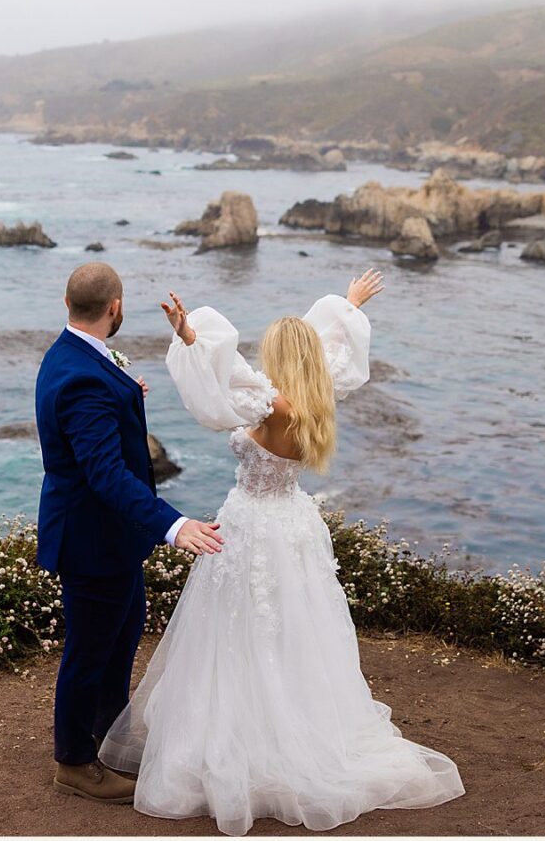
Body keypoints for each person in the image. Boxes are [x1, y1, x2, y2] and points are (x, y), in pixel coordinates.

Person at [98, 268, 465, 835]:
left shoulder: (274, 405)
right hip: (293, 525)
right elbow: (329, 351)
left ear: (282, 359)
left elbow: (227, 386)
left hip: (250, 527)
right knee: (294, 632)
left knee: (237, 635)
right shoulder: (320, 398)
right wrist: (349, 304)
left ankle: (245, 746)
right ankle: (300, 729)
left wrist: (192, 339)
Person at [34, 262, 225, 804]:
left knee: (121, 636)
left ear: (67, 303)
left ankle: (109, 738)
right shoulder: (83, 377)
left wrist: (125, 395)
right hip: (92, 539)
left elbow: (97, 419)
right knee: (90, 649)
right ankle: (73, 762)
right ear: (115, 307)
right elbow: (105, 473)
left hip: (111, 538)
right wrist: (173, 523)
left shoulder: (75, 354)